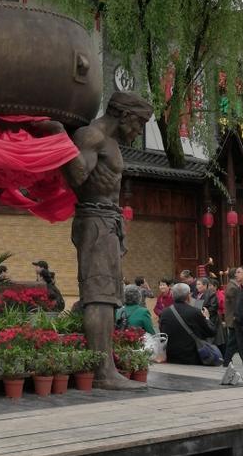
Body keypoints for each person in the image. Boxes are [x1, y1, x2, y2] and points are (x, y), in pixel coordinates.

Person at [62, 90, 154, 388]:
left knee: (109, 296)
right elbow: (77, 176)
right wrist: (58, 137)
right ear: (125, 115)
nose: (138, 131)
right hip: (95, 220)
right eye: (139, 123)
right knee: (99, 295)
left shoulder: (109, 141)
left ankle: (107, 366)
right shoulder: (91, 136)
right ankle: (103, 372)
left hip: (108, 221)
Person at [159, 282, 217, 365]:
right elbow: (211, 332)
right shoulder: (195, 312)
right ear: (188, 296)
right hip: (192, 357)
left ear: (173, 295)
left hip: (172, 357)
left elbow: (163, 335)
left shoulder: (164, 313)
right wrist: (207, 318)